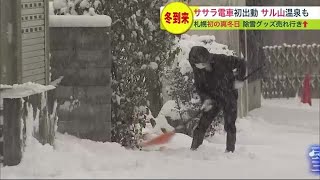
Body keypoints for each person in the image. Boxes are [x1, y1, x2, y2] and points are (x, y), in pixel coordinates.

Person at [188, 46, 246, 152]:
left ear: (206, 58)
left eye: (201, 63)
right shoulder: (198, 70)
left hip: (228, 95)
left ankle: (230, 151)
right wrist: (205, 99)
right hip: (213, 99)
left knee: (230, 125)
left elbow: (241, 63)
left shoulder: (222, 60)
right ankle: (194, 150)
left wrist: (239, 79)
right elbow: (199, 87)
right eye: (196, 64)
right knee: (202, 125)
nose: (199, 66)